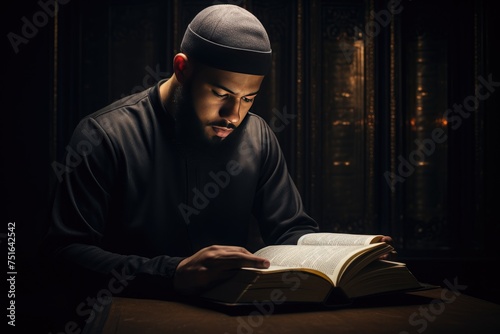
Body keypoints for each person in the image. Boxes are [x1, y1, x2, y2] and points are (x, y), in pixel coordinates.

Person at [41, 4, 393, 329]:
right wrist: (173, 272)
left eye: (248, 98)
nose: (234, 115)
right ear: (182, 68)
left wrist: (349, 254)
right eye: (221, 94)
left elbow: (289, 230)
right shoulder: (104, 136)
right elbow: (66, 254)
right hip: (129, 320)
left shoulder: (257, 135)